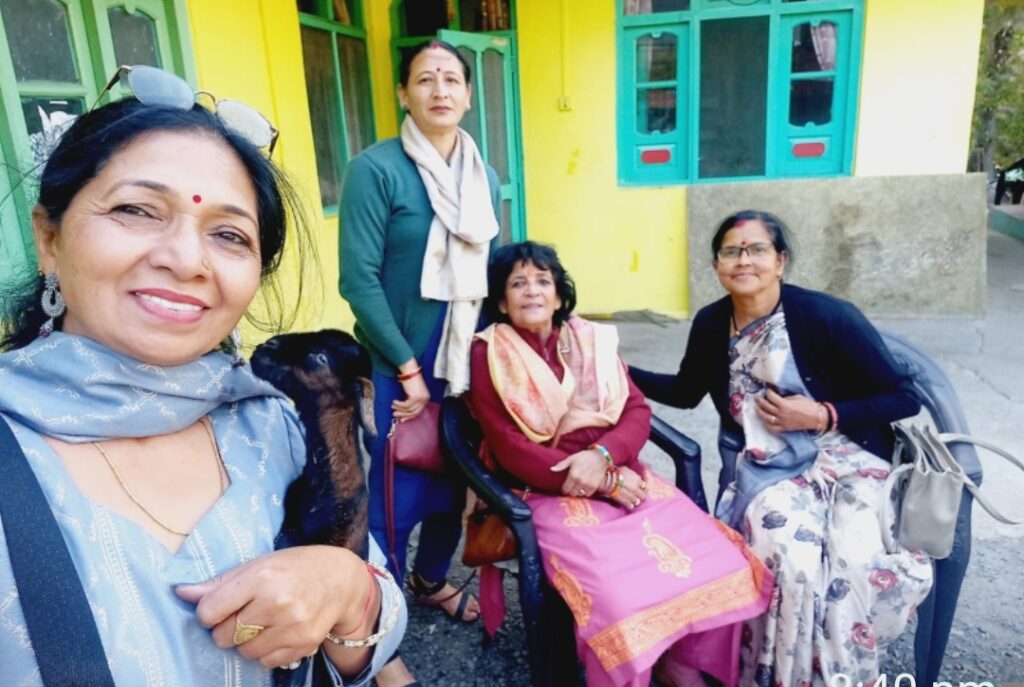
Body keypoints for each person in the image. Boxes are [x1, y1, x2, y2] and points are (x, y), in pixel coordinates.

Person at [0, 65, 405, 686]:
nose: (187, 259)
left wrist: (351, 589)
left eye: (228, 235)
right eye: (136, 209)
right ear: (48, 238)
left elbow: (361, 646)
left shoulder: (273, 424)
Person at [630, 210, 934, 686]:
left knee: (854, 565)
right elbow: (687, 391)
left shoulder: (826, 316)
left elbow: (904, 397)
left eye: (757, 249)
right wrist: (618, 370)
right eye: (731, 251)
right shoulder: (712, 323)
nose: (743, 260)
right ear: (716, 265)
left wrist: (823, 414)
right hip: (770, 465)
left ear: (781, 261)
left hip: (850, 458)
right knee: (791, 561)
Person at [467, 241, 774, 687]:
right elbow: (511, 449)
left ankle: (680, 661)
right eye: (518, 284)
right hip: (544, 490)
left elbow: (636, 410)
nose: (532, 291)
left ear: (559, 295)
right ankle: (636, 668)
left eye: (542, 281)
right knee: (617, 595)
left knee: (715, 559)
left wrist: (604, 457)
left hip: (620, 470)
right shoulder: (490, 355)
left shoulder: (593, 341)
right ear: (501, 301)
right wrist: (605, 482)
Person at [338, 39, 501, 687]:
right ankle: (377, 630)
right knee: (392, 499)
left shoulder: (482, 176)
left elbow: (489, 273)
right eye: (425, 79)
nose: (440, 90)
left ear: (468, 94)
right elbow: (358, 280)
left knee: (452, 485)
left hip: (461, 360)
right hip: (398, 365)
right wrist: (406, 368)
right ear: (403, 94)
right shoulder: (375, 170)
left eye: (452, 79)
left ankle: (430, 581)